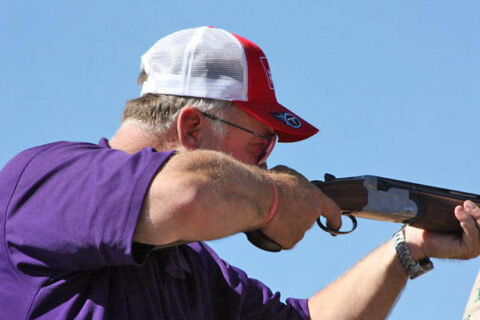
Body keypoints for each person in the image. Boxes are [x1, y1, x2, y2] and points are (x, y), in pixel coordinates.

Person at [0, 26, 478, 320]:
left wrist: (408, 249)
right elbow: (186, 192)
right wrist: (277, 197)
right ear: (190, 126)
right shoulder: (47, 175)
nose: (266, 163)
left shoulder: (190, 268)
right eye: (259, 143)